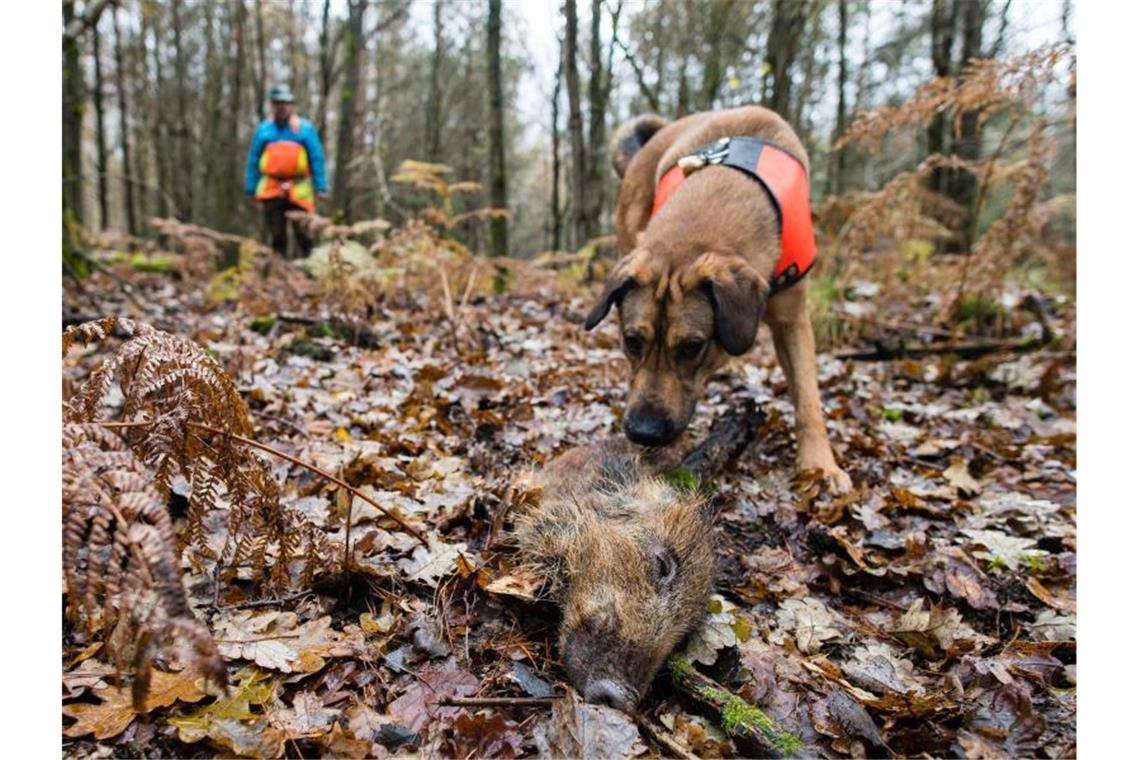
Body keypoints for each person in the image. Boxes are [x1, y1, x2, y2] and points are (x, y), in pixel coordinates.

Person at [244, 85, 329, 257]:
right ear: (272, 105)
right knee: (277, 233)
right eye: (278, 103)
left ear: (291, 105)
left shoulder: (304, 129)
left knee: (304, 233)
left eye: (285, 103)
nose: (282, 107)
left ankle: (310, 269)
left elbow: (316, 158)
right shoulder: (264, 130)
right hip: (272, 187)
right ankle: (279, 270)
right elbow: (254, 161)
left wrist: (321, 187)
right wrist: (250, 189)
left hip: (299, 188)